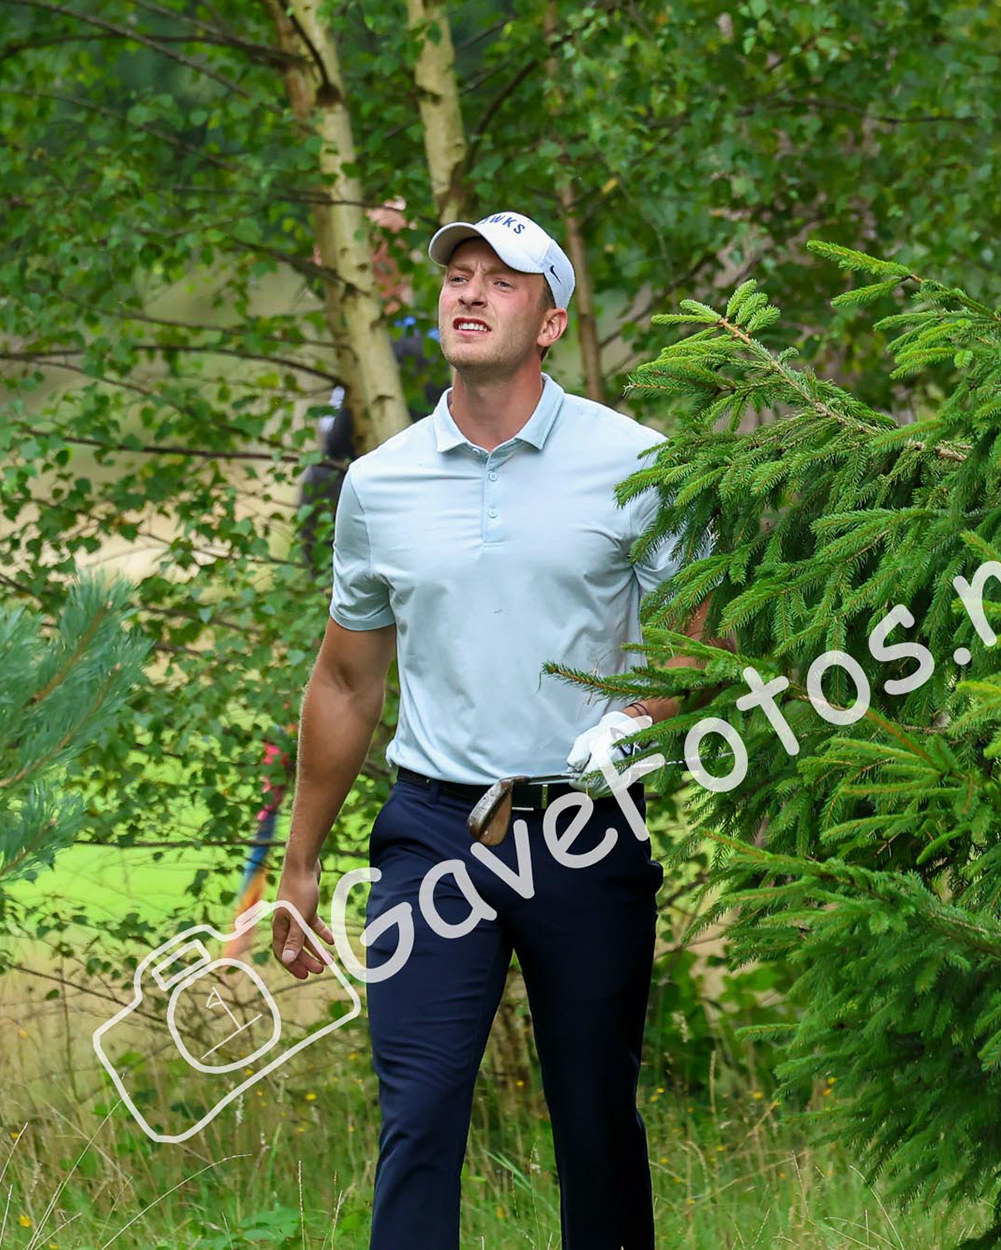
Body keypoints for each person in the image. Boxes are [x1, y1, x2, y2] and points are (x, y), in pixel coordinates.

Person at [269, 210, 714, 1249]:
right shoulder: (380, 483)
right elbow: (344, 678)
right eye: (457, 276)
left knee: (597, 1120)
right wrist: (301, 863)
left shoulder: (636, 461)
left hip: (587, 829)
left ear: (551, 320)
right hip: (434, 835)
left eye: (502, 281)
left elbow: (698, 646)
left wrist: (637, 721)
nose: (469, 293)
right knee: (418, 1116)